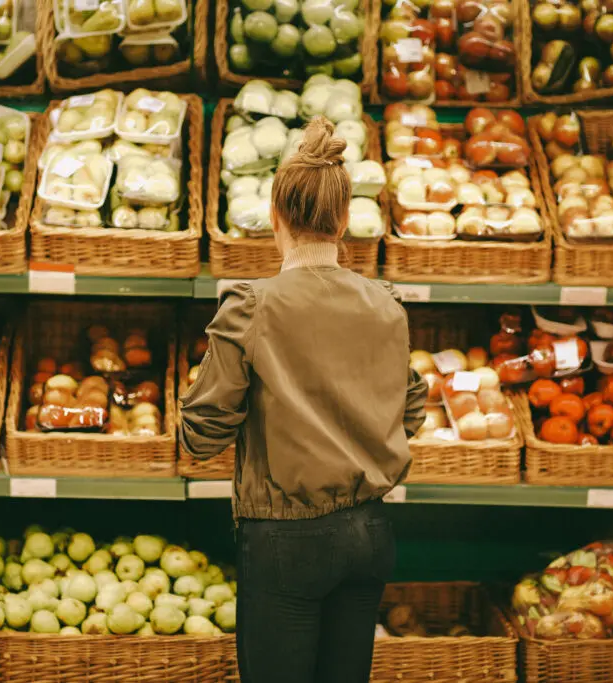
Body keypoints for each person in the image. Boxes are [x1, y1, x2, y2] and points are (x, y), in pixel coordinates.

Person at [178, 116, 428, 683]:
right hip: (370, 532)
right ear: (344, 221)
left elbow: (202, 435)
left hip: (286, 539)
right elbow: (410, 409)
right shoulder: (385, 303)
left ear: (276, 218)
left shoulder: (250, 307)